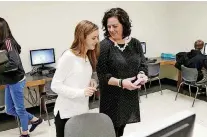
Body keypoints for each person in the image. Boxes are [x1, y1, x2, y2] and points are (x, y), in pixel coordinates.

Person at [96, 8, 149, 137]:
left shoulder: (135, 43)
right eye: (108, 27)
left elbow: (143, 64)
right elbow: (102, 75)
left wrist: (142, 74)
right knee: (111, 130)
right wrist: (121, 83)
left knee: (121, 128)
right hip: (111, 97)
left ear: (124, 25)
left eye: (115, 26)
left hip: (129, 95)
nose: (111, 30)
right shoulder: (104, 46)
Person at [0, 17, 42, 137]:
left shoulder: (8, 41)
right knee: (9, 110)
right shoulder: (3, 43)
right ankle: (34, 119)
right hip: (9, 80)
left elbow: (14, 63)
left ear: (1, 28)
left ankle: (25, 133)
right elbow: (8, 61)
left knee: (19, 109)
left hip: (16, 81)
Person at [50, 20, 99, 137]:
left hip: (82, 111)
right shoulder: (68, 57)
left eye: (97, 37)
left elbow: (77, 77)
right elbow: (55, 86)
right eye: (93, 38)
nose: (97, 41)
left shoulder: (87, 57)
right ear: (82, 38)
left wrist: (91, 81)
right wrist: (81, 92)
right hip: (66, 114)